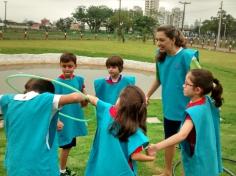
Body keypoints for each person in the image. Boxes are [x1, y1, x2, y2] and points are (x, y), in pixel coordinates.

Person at [0, 78, 88, 176]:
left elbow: (29, 116)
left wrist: (55, 121)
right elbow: (75, 97)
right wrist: (84, 94)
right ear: (48, 92)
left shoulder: (8, 99)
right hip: (41, 165)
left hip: (14, 164)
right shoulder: (46, 98)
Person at [146, 25, 201, 176]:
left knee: (187, 145)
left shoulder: (188, 56)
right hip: (170, 107)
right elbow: (159, 79)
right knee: (169, 140)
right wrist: (147, 95)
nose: (158, 43)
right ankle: (167, 172)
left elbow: (201, 82)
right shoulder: (160, 55)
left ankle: (186, 173)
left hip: (189, 109)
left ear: (173, 39)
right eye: (156, 39)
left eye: (162, 40)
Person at [148, 69, 223, 176]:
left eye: (187, 84)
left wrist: (156, 147)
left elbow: (182, 135)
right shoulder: (206, 100)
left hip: (198, 156)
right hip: (205, 151)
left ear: (197, 90)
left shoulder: (194, 112)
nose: (183, 85)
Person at [85, 85, 155, 176]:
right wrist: (151, 158)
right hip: (121, 171)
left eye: (119, 97)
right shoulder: (133, 128)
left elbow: (94, 100)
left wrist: (85, 97)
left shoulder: (107, 109)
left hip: (102, 167)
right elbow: (136, 156)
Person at [54, 52, 88, 176]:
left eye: (70, 66)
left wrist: (85, 99)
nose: (67, 69)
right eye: (64, 66)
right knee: (65, 145)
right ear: (60, 65)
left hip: (74, 118)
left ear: (75, 66)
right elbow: (53, 104)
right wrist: (56, 120)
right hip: (63, 121)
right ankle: (61, 171)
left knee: (68, 145)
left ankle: (61, 168)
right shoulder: (56, 83)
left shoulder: (79, 80)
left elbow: (83, 97)